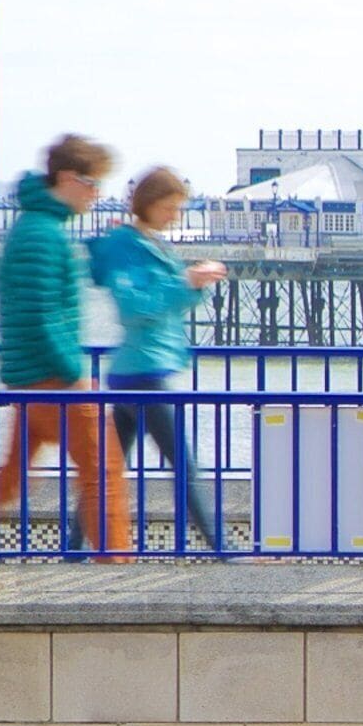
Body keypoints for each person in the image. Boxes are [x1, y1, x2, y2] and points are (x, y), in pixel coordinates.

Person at [0, 134, 131, 557]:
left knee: (6, 482)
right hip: (53, 382)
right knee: (104, 474)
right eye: (91, 183)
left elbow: (38, 305)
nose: (97, 194)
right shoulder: (44, 235)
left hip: (29, 380)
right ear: (66, 177)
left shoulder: (36, 228)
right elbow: (43, 315)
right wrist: (76, 376)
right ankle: (119, 572)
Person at [90, 166, 228, 551]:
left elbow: (167, 302)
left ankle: (76, 546)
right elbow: (134, 306)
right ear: (148, 204)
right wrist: (186, 281)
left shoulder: (155, 242)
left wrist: (195, 283)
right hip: (143, 371)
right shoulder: (126, 245)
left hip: (143, 366)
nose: (175, 216)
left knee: (106, 470)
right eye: (170, 207)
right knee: (183, 465)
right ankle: (222, 550)